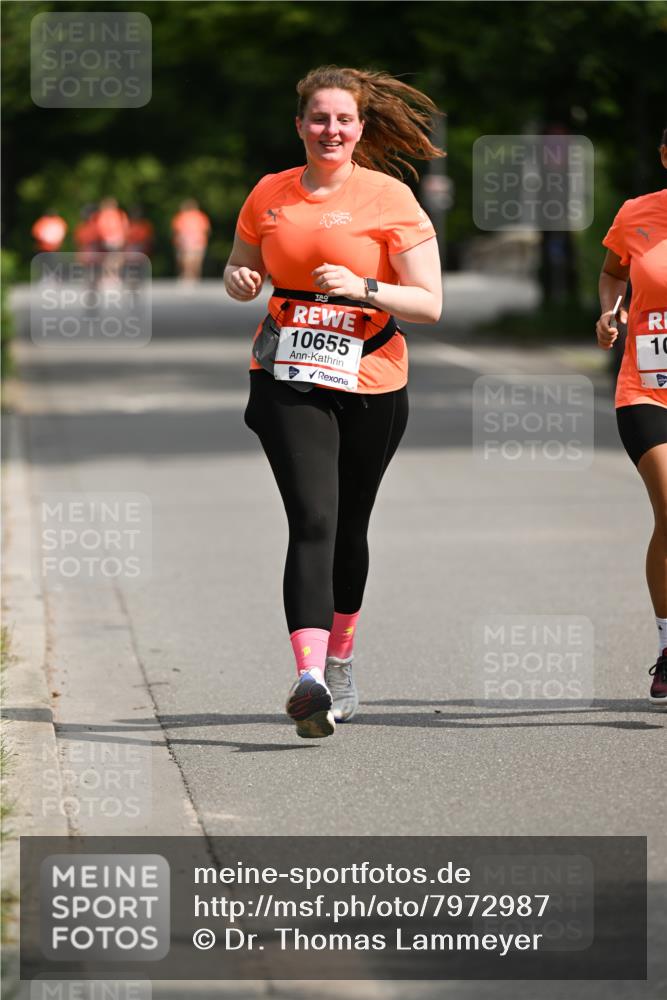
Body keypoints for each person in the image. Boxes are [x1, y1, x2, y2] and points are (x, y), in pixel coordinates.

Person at [224, 66, 443, 738]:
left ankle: (341, 659)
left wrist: (363, 285)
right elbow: (243, 270)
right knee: (313, 518)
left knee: (349, 527)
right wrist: (239, 279)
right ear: (299, 126)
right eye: (318, 118)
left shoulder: (390, 197)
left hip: (372, 377)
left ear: (360, 129)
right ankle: (310, 679)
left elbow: (429, 304)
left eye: (343, 119)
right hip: (288, 376)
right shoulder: (269, 194)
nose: (330, 129)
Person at [596, 126, 667, 707]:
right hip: (645, 390)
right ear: (666, 154)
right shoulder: (637, 215)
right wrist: (610, 313)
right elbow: (614, 274)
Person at [171, 199, 210, 282]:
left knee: (185, 260)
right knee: (196, 260)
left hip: (186, 242)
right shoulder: (200, 216)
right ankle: (195, 277)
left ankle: (187, 276)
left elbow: (177, 231)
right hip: (198, 242)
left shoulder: (181, 216)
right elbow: (206, 229)